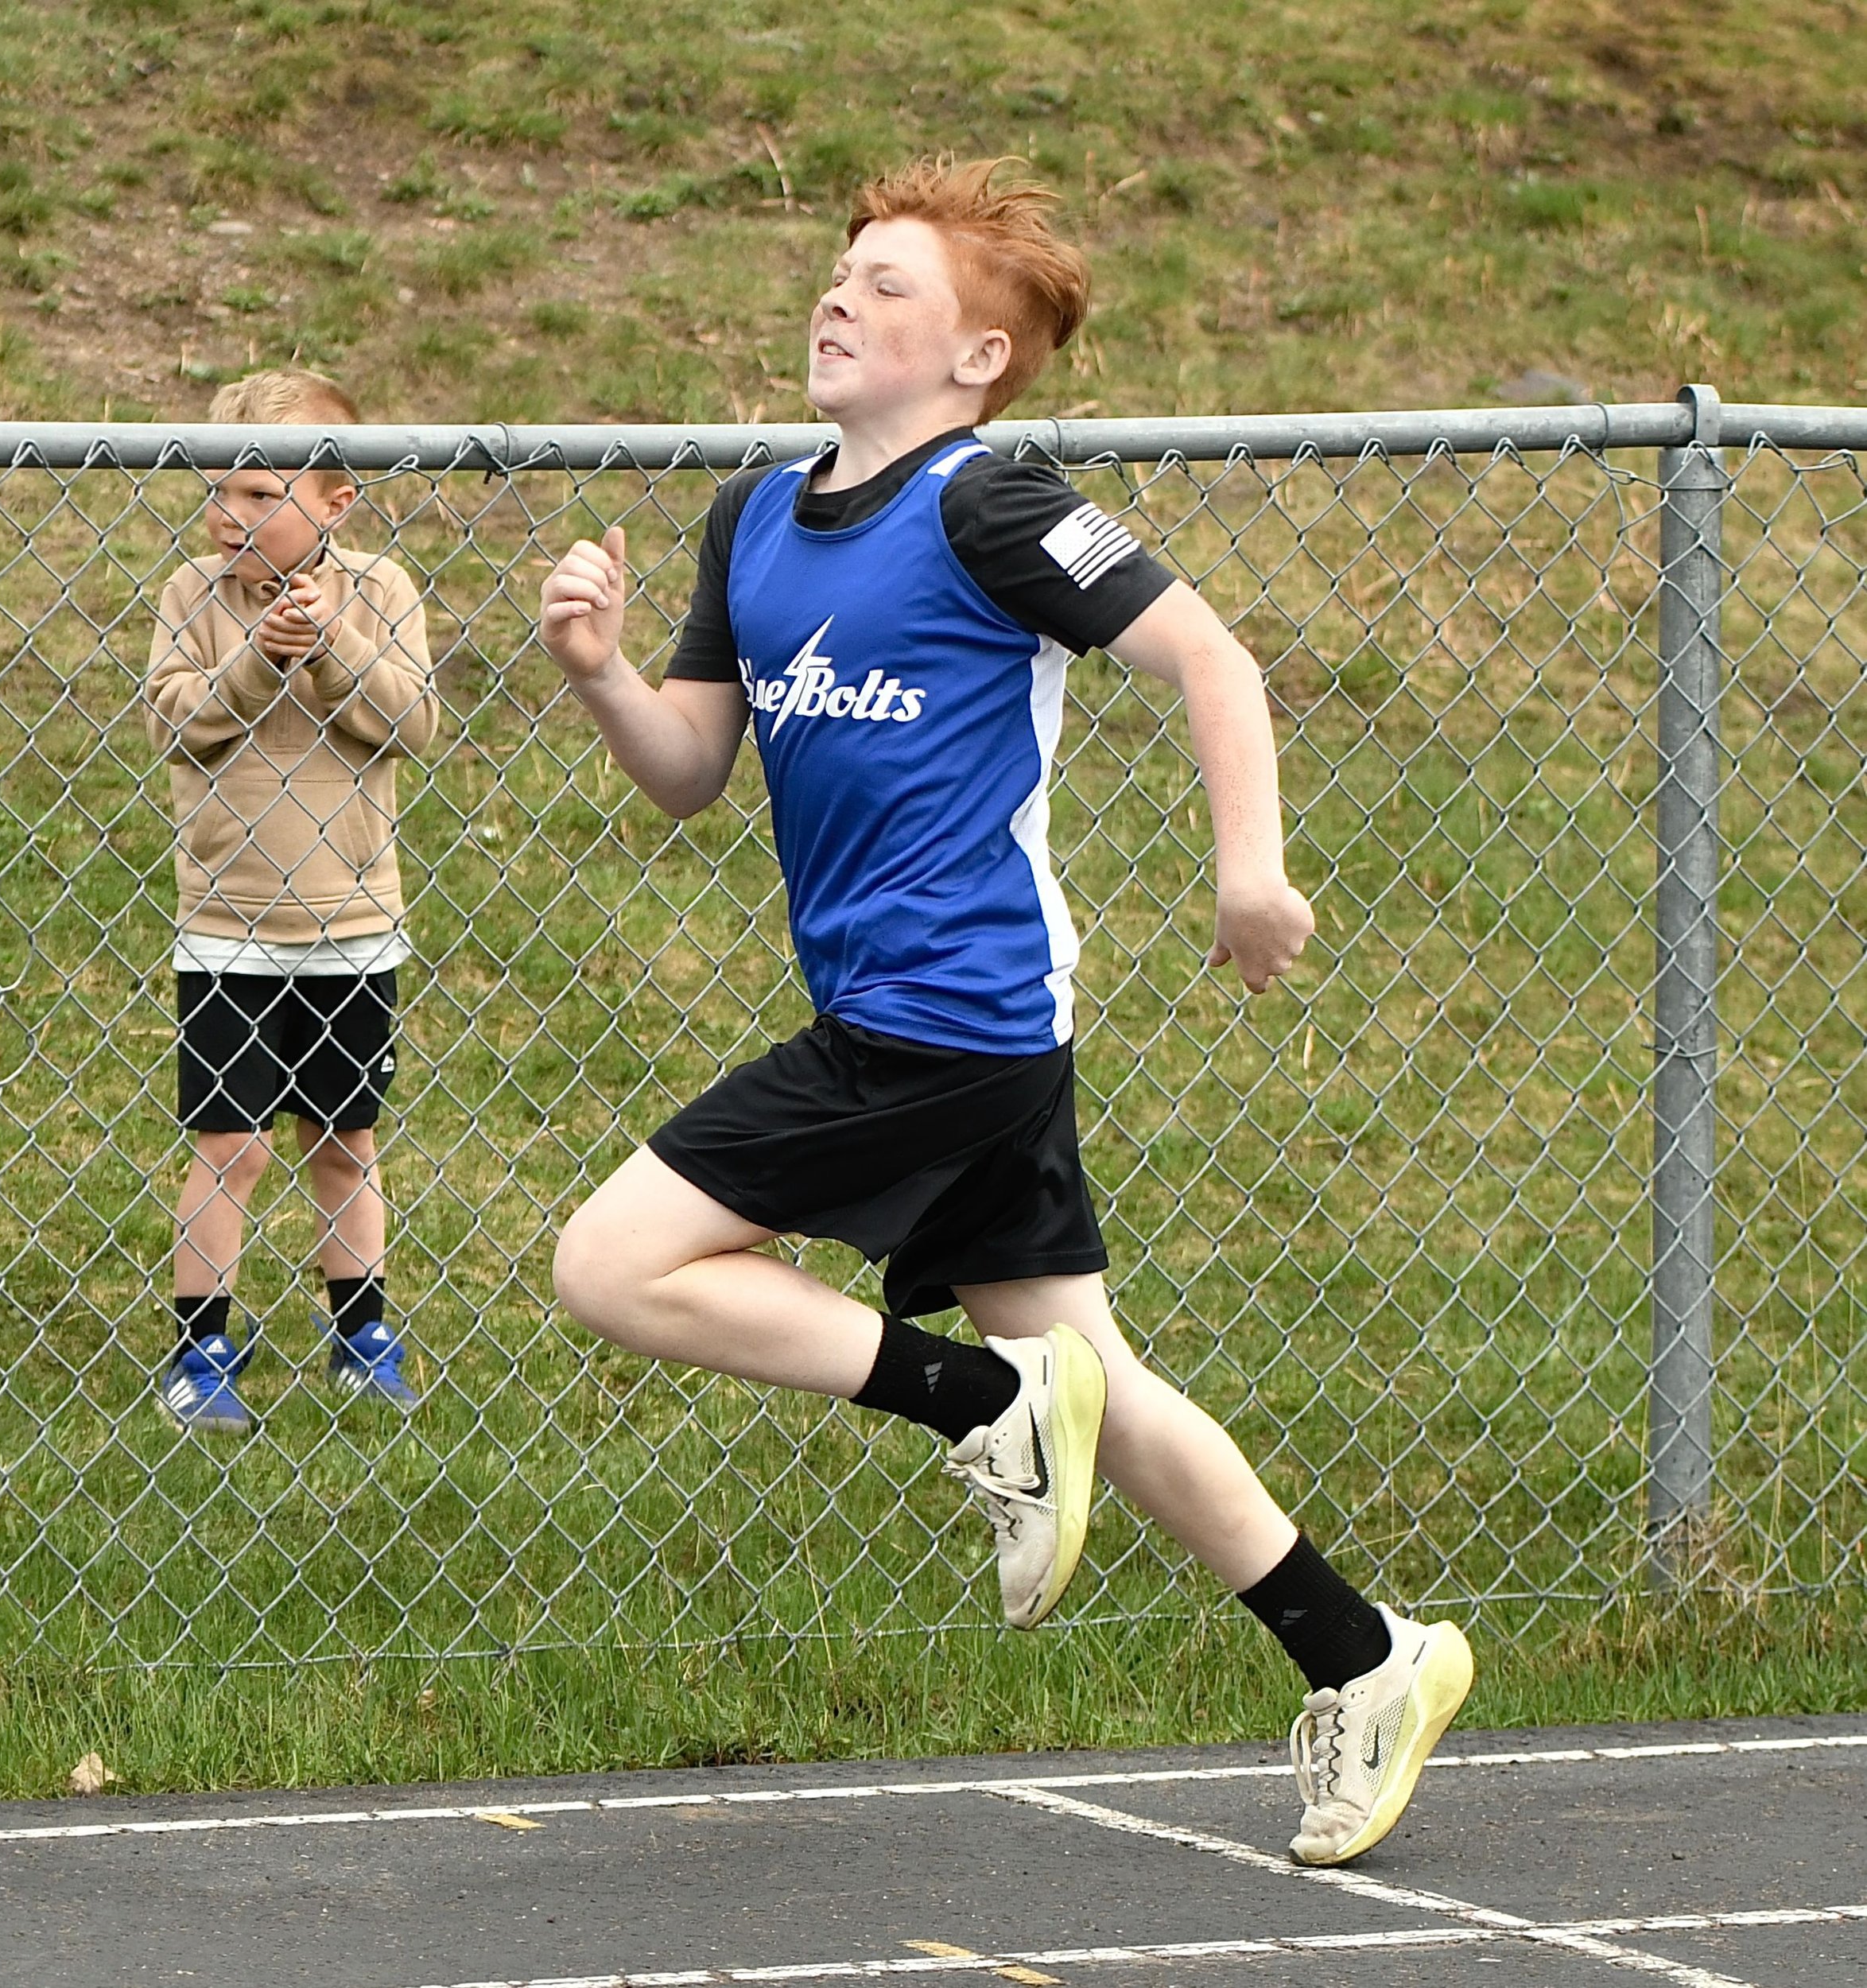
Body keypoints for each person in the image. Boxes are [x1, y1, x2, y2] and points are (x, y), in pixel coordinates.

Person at [538, 157, 1471, 1866]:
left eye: (889, 285)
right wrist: (602, 674)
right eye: (841, 271)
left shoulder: (996, 504)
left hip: (949, 1014)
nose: (840, 297)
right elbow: (687, 772)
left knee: (612, 1262)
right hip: (927, 1020)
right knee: (1097, 1373)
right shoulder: (753, 519)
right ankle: (1366, 1654)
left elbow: (1211, 659)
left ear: (976, 358)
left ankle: (978, 1407)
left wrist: (1249, 872)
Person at [145, 367, 439, 1431]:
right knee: (233, 1145)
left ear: (335, 502)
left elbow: (410, 724)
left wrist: (330, 649)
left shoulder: (381, 590)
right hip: (229, 929)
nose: (229, 514)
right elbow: (173, 723)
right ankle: (201, 1347)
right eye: (218, 489)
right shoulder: (193, 594)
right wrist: (258, 665)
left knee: (344, 1138)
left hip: (352, 927)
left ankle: (361, 1333)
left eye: (262, 494)